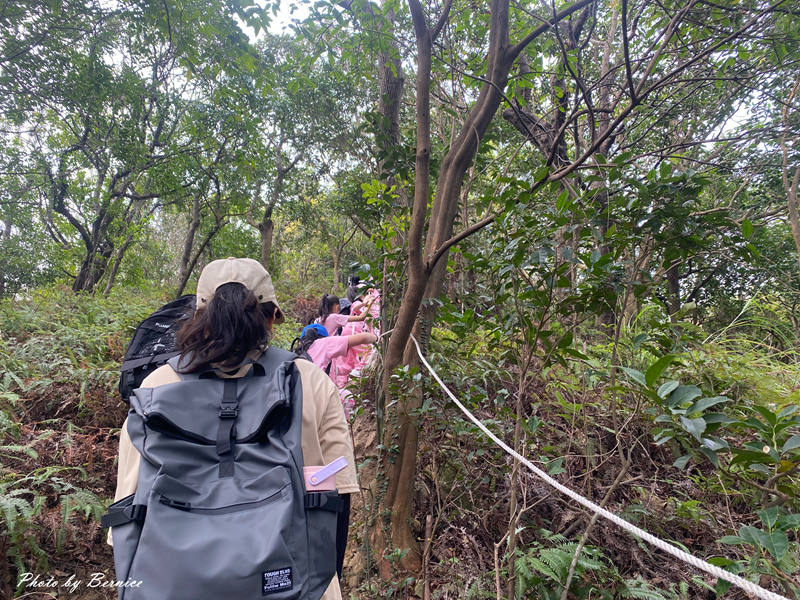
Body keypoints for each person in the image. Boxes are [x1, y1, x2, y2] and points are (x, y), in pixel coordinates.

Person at [109, 258, 358, 600]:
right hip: (294, 585)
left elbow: (127, 509)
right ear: (271, 318)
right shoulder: (310, 380)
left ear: (198, 317)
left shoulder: (155, 386)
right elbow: (336, 496)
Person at [298, 323, 377, 417]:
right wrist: (377, 338)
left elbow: (333, 370)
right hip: (319, 399)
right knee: (346, 396)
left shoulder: (299, 354)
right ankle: (341, 424)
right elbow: (363, 338)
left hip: (301, 402)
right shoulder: (324, 343)